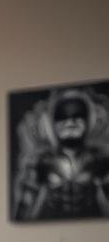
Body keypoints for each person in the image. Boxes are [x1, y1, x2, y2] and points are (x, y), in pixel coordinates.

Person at [15, 90, 109, 220]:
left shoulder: (101, 159)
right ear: (53, 124)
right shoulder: (40, 162)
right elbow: (25, 205)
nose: (70, 122)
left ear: (88, 121)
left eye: (77, 116)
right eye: (62, 117)